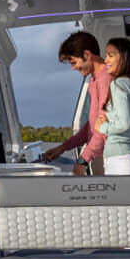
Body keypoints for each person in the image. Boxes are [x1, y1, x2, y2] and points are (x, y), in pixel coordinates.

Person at [43, 30, 110, 176]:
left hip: (109, 158)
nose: (73, 67)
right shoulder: (94, 80)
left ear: (86, 55)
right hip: (99, 155)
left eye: (74, 62)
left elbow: (104, 128)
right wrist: (62, 147)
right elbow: (92, 125)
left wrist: (82, 161)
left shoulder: (105, 79)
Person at [95, 37, 130, 176]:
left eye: (111, 55)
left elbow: (124, 124)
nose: (106, 60)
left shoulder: (118, 84)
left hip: (120, 159)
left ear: (124, 57)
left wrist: (102, 127)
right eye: (105, 56)